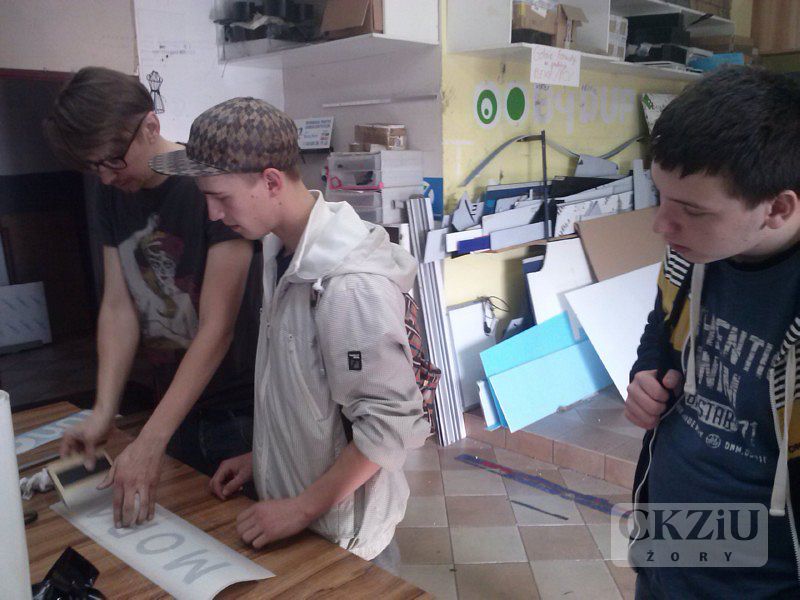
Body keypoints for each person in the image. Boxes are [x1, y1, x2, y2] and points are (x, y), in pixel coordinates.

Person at [149, 97, 429, 563]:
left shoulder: (348, 285)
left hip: (346, 538)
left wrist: (301, 508)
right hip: (304, 514)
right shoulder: (278, 253)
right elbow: (303, 392)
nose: (213, 213)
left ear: (271, 181)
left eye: (221, 197)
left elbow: (388, 425)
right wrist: (264, 456)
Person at [42, 67, 261, 529]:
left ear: (150, 126)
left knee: (251, 540)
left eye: (112, 161)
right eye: (93, 167)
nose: (105, 178)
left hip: (241, 411)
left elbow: (218, 327)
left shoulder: (210, 186)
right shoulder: (111, 192)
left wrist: (149, 440)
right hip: (173, 410)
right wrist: (104, 411)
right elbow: (118, 306)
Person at [626, 66, 800, 598]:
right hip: (667, 543)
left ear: (778, 208)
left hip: (760, 578)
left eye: (692, 210)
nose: (660, 225)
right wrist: (646, 373)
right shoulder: (692, 254)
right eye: (660, 196)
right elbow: (661, 328)